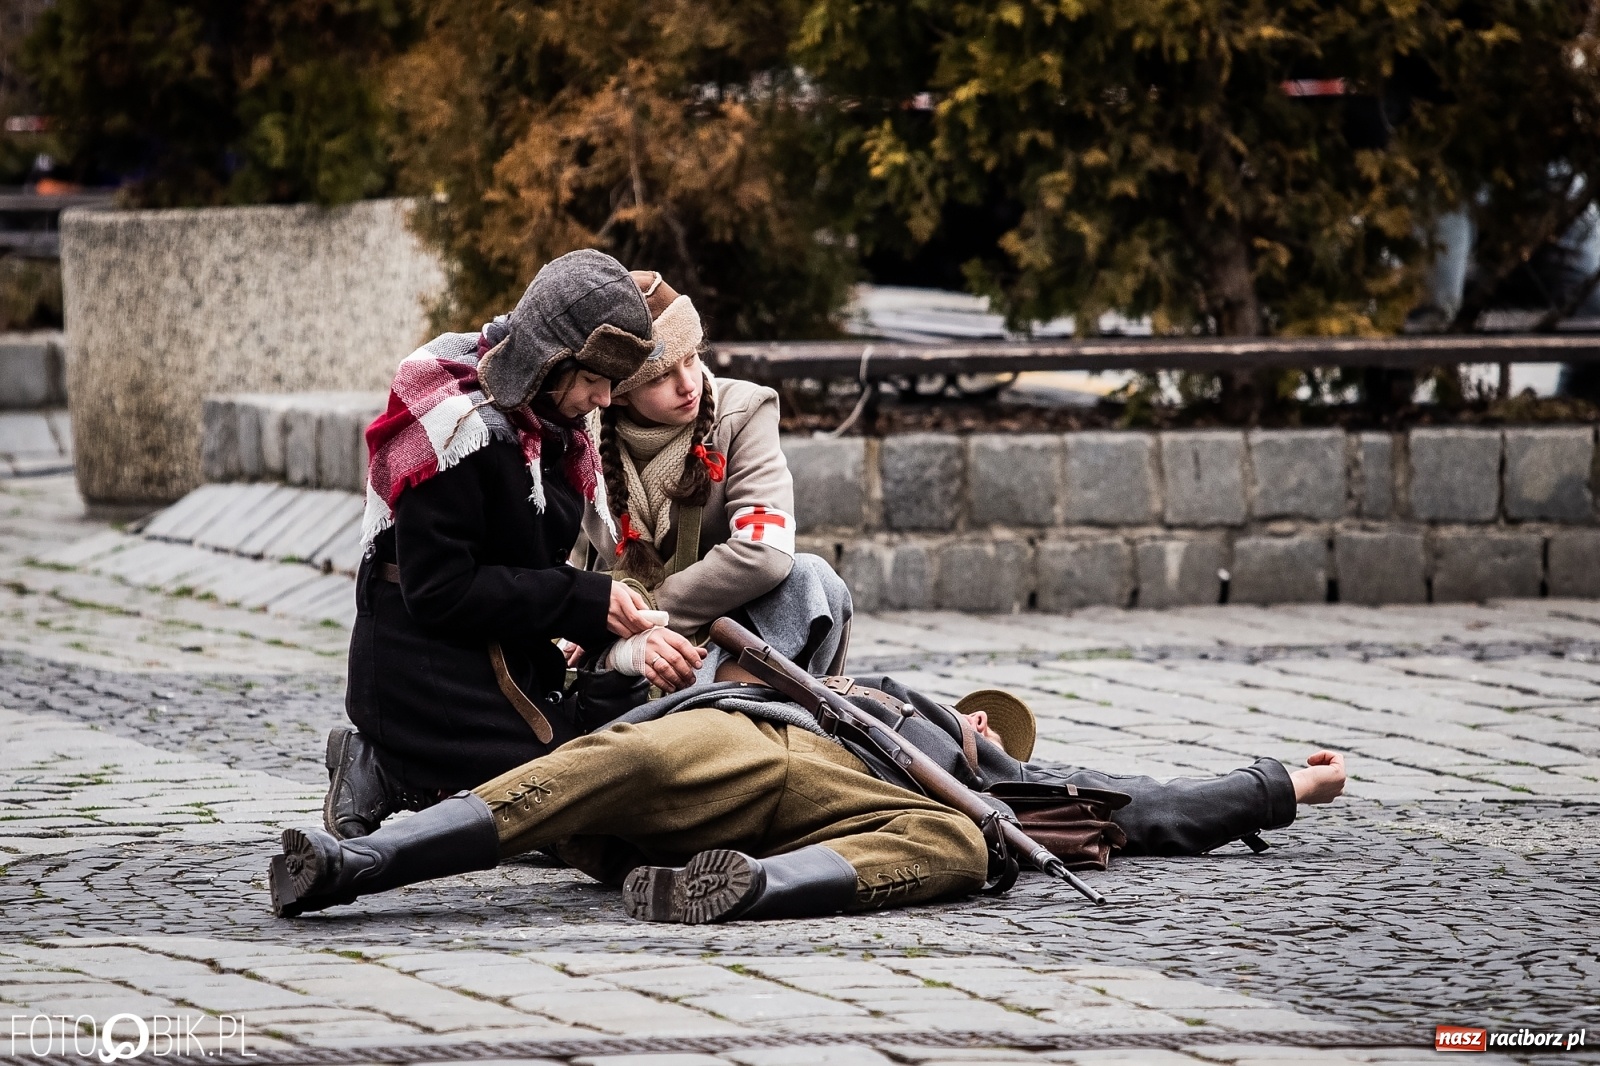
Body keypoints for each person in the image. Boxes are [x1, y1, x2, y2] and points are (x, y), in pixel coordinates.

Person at [270, 665, 1347, 923]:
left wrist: (1283, 785)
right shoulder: (864, 695)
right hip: (774, 747)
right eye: (980, 716)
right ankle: (363, 862)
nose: (980, 727)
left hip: (859, 814)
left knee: (971, 849)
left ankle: (741, 889)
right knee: (623, 763)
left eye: (989, 732)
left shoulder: (999, 786)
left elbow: (1159, 810)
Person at [322, 249, 706, 840]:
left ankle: (436, 769)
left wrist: (608, 623)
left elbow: (532, 565)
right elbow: (437, 591)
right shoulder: (459, 430)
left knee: (598, 769)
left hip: (503, 652)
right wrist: (581, 599)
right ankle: (387, 765)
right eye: (594, 380)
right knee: (558, 794)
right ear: (550, 362)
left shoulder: (550, 425)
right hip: (423, 670)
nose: (604, 400)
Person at [570, 271, 851, 684]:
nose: (689, 385)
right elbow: (572, 559)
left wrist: (648, 610)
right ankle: (711, 703)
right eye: (662, 375)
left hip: (723, 624)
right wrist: (585, 618)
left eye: (691, 359)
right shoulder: (581, 438)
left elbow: (764, 551)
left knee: (814, 580)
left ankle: (733, 693)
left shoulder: (744, 409)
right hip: (634, 644)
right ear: (620, 392)